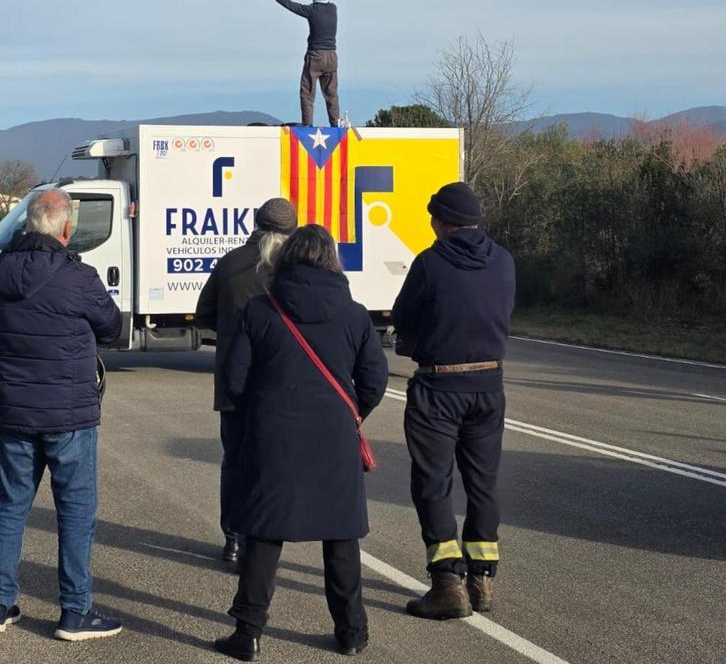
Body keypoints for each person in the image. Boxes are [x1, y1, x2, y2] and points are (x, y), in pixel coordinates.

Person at [215, 225, 389, 660]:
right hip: (335, 437)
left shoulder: (261, 310)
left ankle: (248, 633)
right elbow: (374, 379)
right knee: (341, 536)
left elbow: (234, 379)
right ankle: (351, 633)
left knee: (263, 534)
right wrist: (352, 413)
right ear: (332, 260)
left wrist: (261, 410)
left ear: (286, 257)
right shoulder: (354, 314)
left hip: (273, 436)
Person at [0, 188, 124, 640]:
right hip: (69, 413)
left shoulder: (3, 270)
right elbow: (112, 325)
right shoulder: (78, 276)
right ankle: (75, 610)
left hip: (17, 409)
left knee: (10, 506)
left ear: (28, 223)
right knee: (76, 512)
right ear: (66, 229)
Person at [391, 182, 515, 619]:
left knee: (433, 483)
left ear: (441, 222)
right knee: (482, 483)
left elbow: (402, 316)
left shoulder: (430, 262)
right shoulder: (504, 260)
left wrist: (421, 340)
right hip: (489, 384)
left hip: (439, 387)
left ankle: (447, 582)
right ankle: (482, 578)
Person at [195, 197, 298, 566]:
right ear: (292, 230)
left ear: (255, 223)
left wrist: (232, 331)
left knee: (236, 461)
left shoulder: (230, 263)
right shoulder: (295, 268)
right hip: (282, 381)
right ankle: (264, 540)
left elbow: (203, 314)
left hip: (234, 382)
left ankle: (234, 540)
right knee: (274, 461)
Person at [263, 0, 339, 127]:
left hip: (315, 56)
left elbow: (290, 5)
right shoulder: (333, 8)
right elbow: (320, 1)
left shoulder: (311, 10)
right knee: (332, 95)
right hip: (331, 57)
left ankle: (308, 126)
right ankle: (336, 126)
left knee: (307, 93)